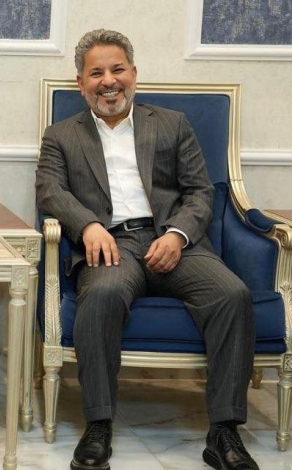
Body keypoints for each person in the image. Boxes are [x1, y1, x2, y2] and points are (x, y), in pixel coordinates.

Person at [35, 29, 258, 470]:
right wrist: (89, 225)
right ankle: (98, 425)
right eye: (96, 73)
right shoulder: (61, 135)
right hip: (111, 246)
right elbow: (49, 190)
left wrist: (177, 235)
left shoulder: (172, 123)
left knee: (232, 295)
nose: (108, 81)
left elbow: (200, 192)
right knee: (101, 295)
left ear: (134, 74)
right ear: (80, 82)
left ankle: (224, 432)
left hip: (174, 242)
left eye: (117, 69)